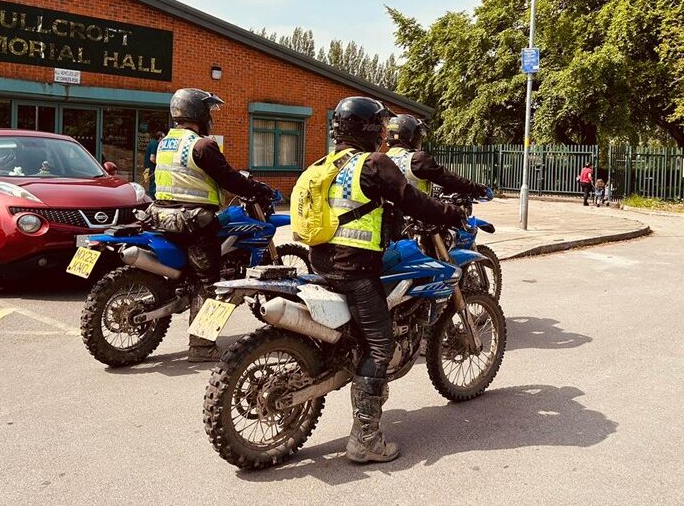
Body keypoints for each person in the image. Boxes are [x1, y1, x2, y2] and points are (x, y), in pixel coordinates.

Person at [309, 96, 468, 464]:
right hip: (356, 270)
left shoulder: (325, 164)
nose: (384, 132)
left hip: (321, 263)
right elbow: (413, 200)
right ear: (366, 129)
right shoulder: (373, 164)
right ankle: (365, 439)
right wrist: (452, 213)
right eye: (379, 126)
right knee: (379, 348)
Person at [151, 89, 274, 362]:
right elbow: (228, 178)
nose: (211, 117)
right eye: (209, 111)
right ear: (198, 113)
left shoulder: (165, 142)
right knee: (209, 283)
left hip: (162, 216)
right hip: (193, 221)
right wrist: (257, 188)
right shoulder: (202, 146)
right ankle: (202, 346)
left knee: (194, 273)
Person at [385, 114, 492, 200]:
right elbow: (448, 178)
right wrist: (478, 189)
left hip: (392, 218)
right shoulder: (416, 159)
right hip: (416, 219)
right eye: (419, 137)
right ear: (411, 137)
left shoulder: (382, 158)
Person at [143, 130, 164, 198]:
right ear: (160, 137)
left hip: (148, 166)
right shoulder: (155, 144)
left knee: (152, 182)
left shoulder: (152, 143)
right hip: (152, 167)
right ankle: (153, 197)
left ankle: (152, 195)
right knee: (154, 182)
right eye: (163, 138)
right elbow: (152, 158)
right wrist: (158, 164)